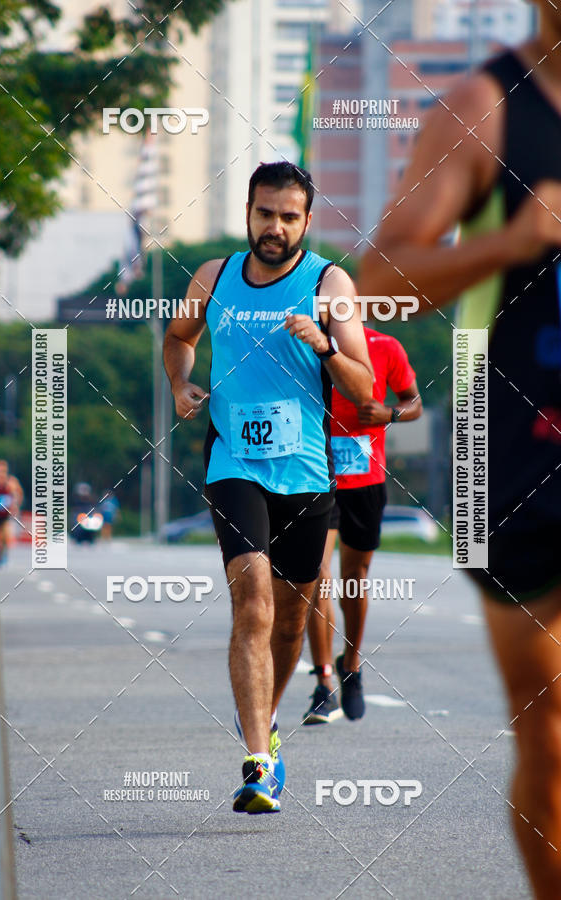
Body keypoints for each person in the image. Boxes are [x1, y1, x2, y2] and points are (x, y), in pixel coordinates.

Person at [359, 3, 561, 894]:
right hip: (518, 461)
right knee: (551, 732)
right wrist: (513, 243)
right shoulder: (488, 107)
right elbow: (377, 284)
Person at [164, 161, 374, 814]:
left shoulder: (328, 283)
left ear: (307, 221)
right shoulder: (215, 276)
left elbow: (365, 391)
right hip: (235, 464)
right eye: (265, 214)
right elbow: (178, 336)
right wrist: (180, 384)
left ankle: (269, 722)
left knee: (289, 629)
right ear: (248, 212)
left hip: (308, 475)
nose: (274, 228)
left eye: (289, 217)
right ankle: (257, 760)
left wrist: (325, 348)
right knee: (251, 599)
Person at [303, 328, 422, 724]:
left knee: (354, 577)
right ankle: (323, 685)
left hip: (365, 479)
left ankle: (350, 663)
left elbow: (414, 403)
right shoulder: (304, 343)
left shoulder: (386, 346)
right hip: (314, 475)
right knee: (317, 575)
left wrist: (390, 414)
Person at [0, 459, 16, 565]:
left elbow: (16, 496)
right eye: (0, 471)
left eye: (4, 470)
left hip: (5, 515)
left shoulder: (10, 483)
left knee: (5, 535)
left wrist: (14, 506)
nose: (2, 473)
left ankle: (4, 551)